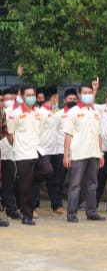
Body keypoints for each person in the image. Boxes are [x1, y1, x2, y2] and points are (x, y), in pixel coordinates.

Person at [6, 86, 53, 225]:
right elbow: (10, 133)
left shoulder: (39, 112)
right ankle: (27, 216)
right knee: (26, 189)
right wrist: (17, 146)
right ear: (22, 96)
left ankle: (29, 179)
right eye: (28, 94)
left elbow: (42, 128)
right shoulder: (14, 114)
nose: (31, 97)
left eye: (33, 94)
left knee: (48, 170)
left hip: (37, 150)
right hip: (23, 153)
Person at [63, 84, 105, 222]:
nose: (88, 95)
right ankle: (72, 213)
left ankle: (91, 212)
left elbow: (99, 135)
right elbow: (68, 135)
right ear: (79, 95)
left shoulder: (96, 113)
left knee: (93, 184)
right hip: (78, 153)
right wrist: (66, 155)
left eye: (90, 92)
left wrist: (101, 153)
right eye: (85, 92)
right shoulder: (73, 112)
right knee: (75, 184)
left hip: (94, 153)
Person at [46, 88, 78, 218]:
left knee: (76, 181)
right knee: (58, 180)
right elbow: (52, 132)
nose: (72, 101)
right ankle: (57, 206)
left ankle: (75, 205)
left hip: (77, 152)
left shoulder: (80, 113)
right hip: (60, 151)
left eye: (75, 99)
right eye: (70, 99)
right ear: (64, 100)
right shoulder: (58, 115)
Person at [36, 86, 66, 215]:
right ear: (54, 97)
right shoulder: (40, 112)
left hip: (54, 150)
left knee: (54, 180)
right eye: (57, 97)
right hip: (43, 150)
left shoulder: (55, 112)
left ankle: (56, 206)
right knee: (41, 176)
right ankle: (32, 206)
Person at [0, 89, 20, 221]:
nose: (3, 102)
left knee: (8, 182)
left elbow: (5, 133)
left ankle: (11, 209)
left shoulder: (3, 114)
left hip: (6, 154)